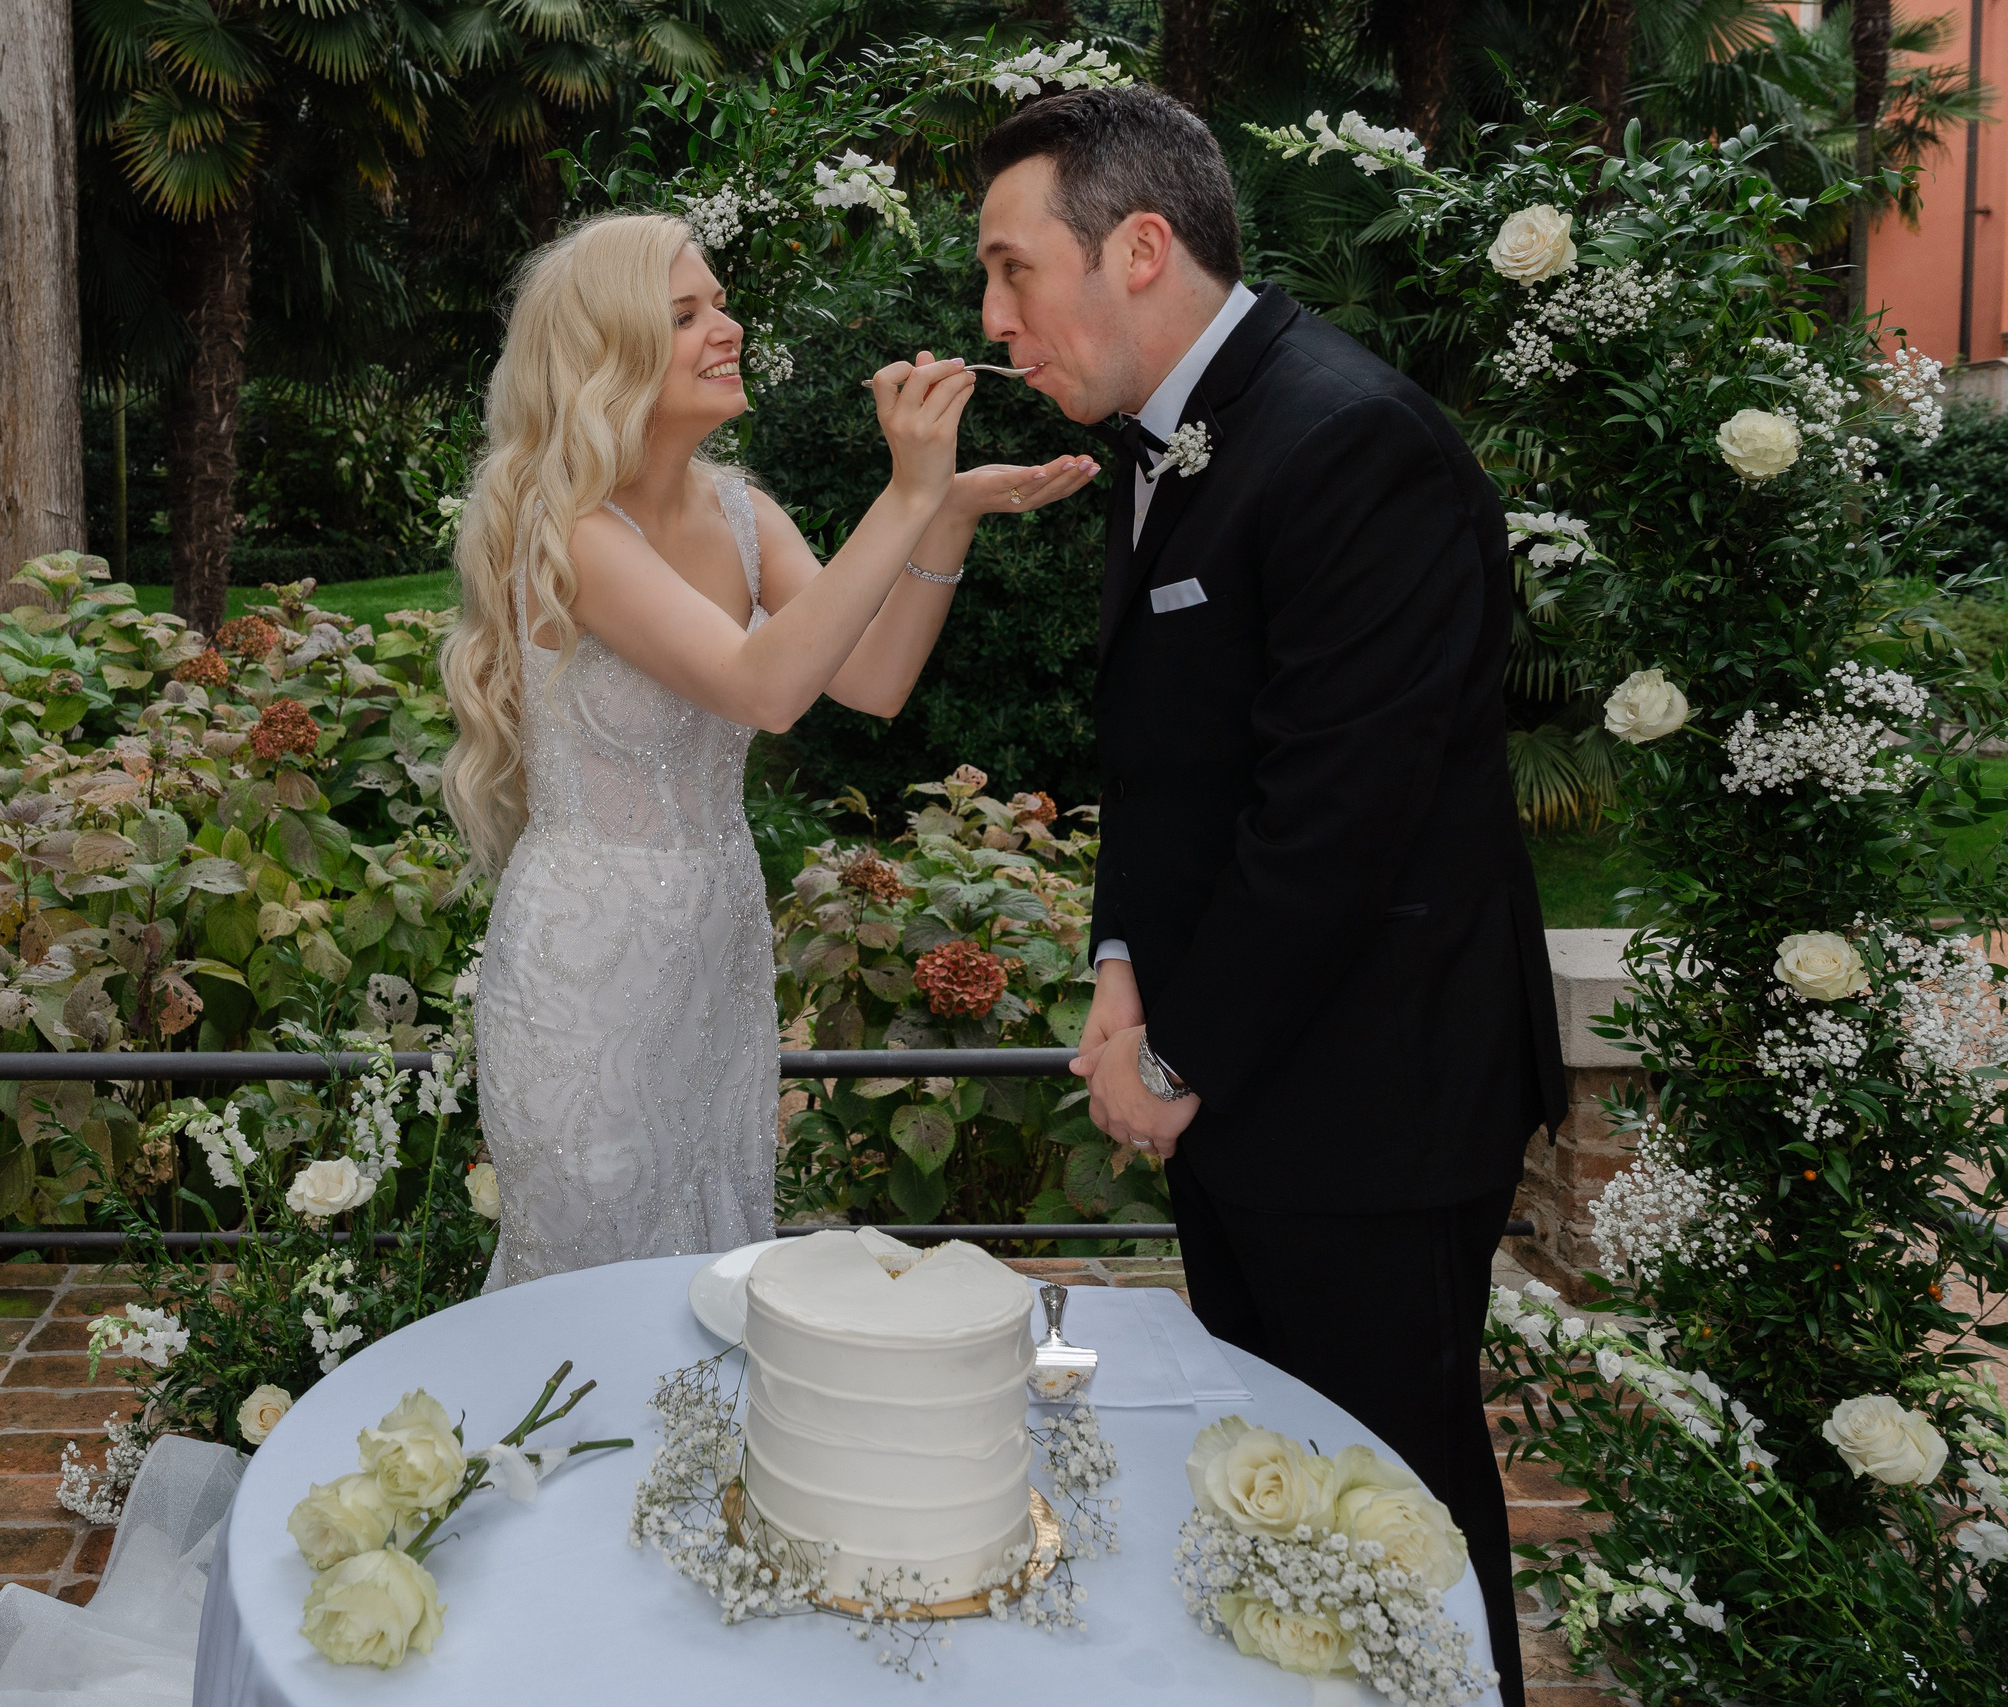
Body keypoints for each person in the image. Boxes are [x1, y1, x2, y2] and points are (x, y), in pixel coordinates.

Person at [976, 89, 1563, 1704]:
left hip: (1379, 1103)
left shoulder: (1357, 442)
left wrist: (1174, 1062)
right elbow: (1174, 765)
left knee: (1396, 1514)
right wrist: (1117, 965)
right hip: (1263, 1094)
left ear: (1141, 249)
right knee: (1278, 1501)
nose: (993, 316)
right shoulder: (1175, 438)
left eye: (1014, 269)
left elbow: (1335, 822)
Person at [439, 211, 1098, 1292]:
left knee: (709, 1263)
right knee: (593, 1276)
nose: (727, 328)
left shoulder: (743, 514)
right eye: (686, 314)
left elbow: (869, 681)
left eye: (720, 303)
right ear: (612, 357)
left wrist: (947, 519)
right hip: (585, 966)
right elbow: (767, 688)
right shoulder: (574, 534)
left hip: (716, 948)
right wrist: (908, 489)